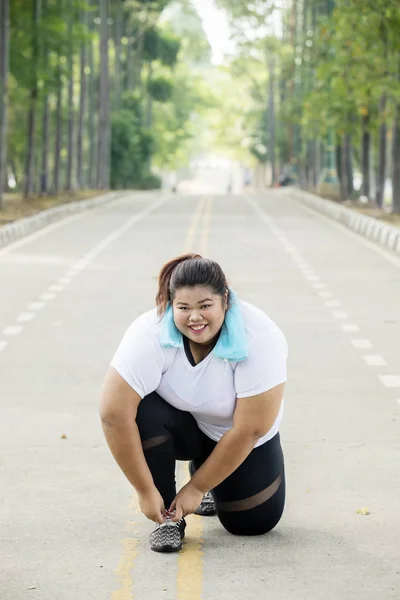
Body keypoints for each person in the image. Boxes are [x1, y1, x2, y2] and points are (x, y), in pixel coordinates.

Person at [99, 254, 288, 553]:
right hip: (185, 427)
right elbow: (113, 414)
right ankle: (169, 520)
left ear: (225, 299)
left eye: (205, 306)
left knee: (252, 524)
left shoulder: (260, 336)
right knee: (141, 409)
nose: (195, 318)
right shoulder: (148, 332)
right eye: (184, 308)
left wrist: (197, 488)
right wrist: (145, 490)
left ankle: (206, 475)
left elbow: (249, 429)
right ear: (171, 304)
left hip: (239, 437)